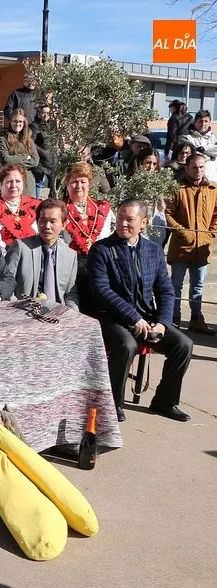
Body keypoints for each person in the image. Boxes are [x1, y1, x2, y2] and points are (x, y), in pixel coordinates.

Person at [89, 199, 193, 422]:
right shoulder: (101, 250)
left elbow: (165, 290)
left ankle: (165, 401)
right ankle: (113, 405)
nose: (123, 224)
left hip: (148, 318)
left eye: (130, 220)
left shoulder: (154, 251)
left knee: (183, 345)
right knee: (127, 346)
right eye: (119, 218)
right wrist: (134, 318)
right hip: (111, 317)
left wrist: (162, 323)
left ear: (143, 223)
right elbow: (101, 290)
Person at [166, 152, 217, 333]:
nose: (198, 170)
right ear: (187, 168)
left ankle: (196, 319)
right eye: (194, 167)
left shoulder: (213, 189)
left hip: (202, 247)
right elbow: (168, 214)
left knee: (198, 286)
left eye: (201, 167)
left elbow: (216, 215)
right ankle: (174, 320)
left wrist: (210, 233)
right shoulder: (177, 189)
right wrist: (183, 232)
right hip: (181, 246)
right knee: (176, 285)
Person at [5, 197, 78, 307]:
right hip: (24, 310)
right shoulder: (21, 248)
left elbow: (70, 295)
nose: (47, 226)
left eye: (53, 221)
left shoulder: (70, 255)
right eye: (43, 221)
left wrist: (73, 317)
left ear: (63, 224)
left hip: (58, 313)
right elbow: (6, 284)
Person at [63, 161, 115, 257]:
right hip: (70, 259)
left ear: (89, 184)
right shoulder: (60, 208)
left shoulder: (102, 208)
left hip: (100, 258)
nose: (79, 186)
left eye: (83, 182)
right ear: (67, 184)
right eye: (74, 182)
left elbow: (111, 235)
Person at [0, 165, 40, 248]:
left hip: (32, 253)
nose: (13, 185)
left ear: (23, 183)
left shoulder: (36, 205)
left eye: (18, 181)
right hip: (3, 254)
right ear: (0, 184)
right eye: (9, 181)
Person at [0, 110, 39, 197]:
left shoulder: (28, 139)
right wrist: (25, 156)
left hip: (27, 180)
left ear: (24, 123)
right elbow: (6, 160)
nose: (17, 124)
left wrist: (15, 163)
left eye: (20, 121)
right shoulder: (3, 139)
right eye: (15, 121)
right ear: (10, 122)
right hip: (10, 180)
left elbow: (35, 160)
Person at [30, 104, 56, 198]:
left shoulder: (53, 126)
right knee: (38, 183)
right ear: (39, 113)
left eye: (48, 113)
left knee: (53, 186)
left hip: (52, 160)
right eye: (43, 113)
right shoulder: (34, 126)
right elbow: (31, 142)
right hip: (40, 160)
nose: (45, 115)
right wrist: (43, 152)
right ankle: (36, 205)